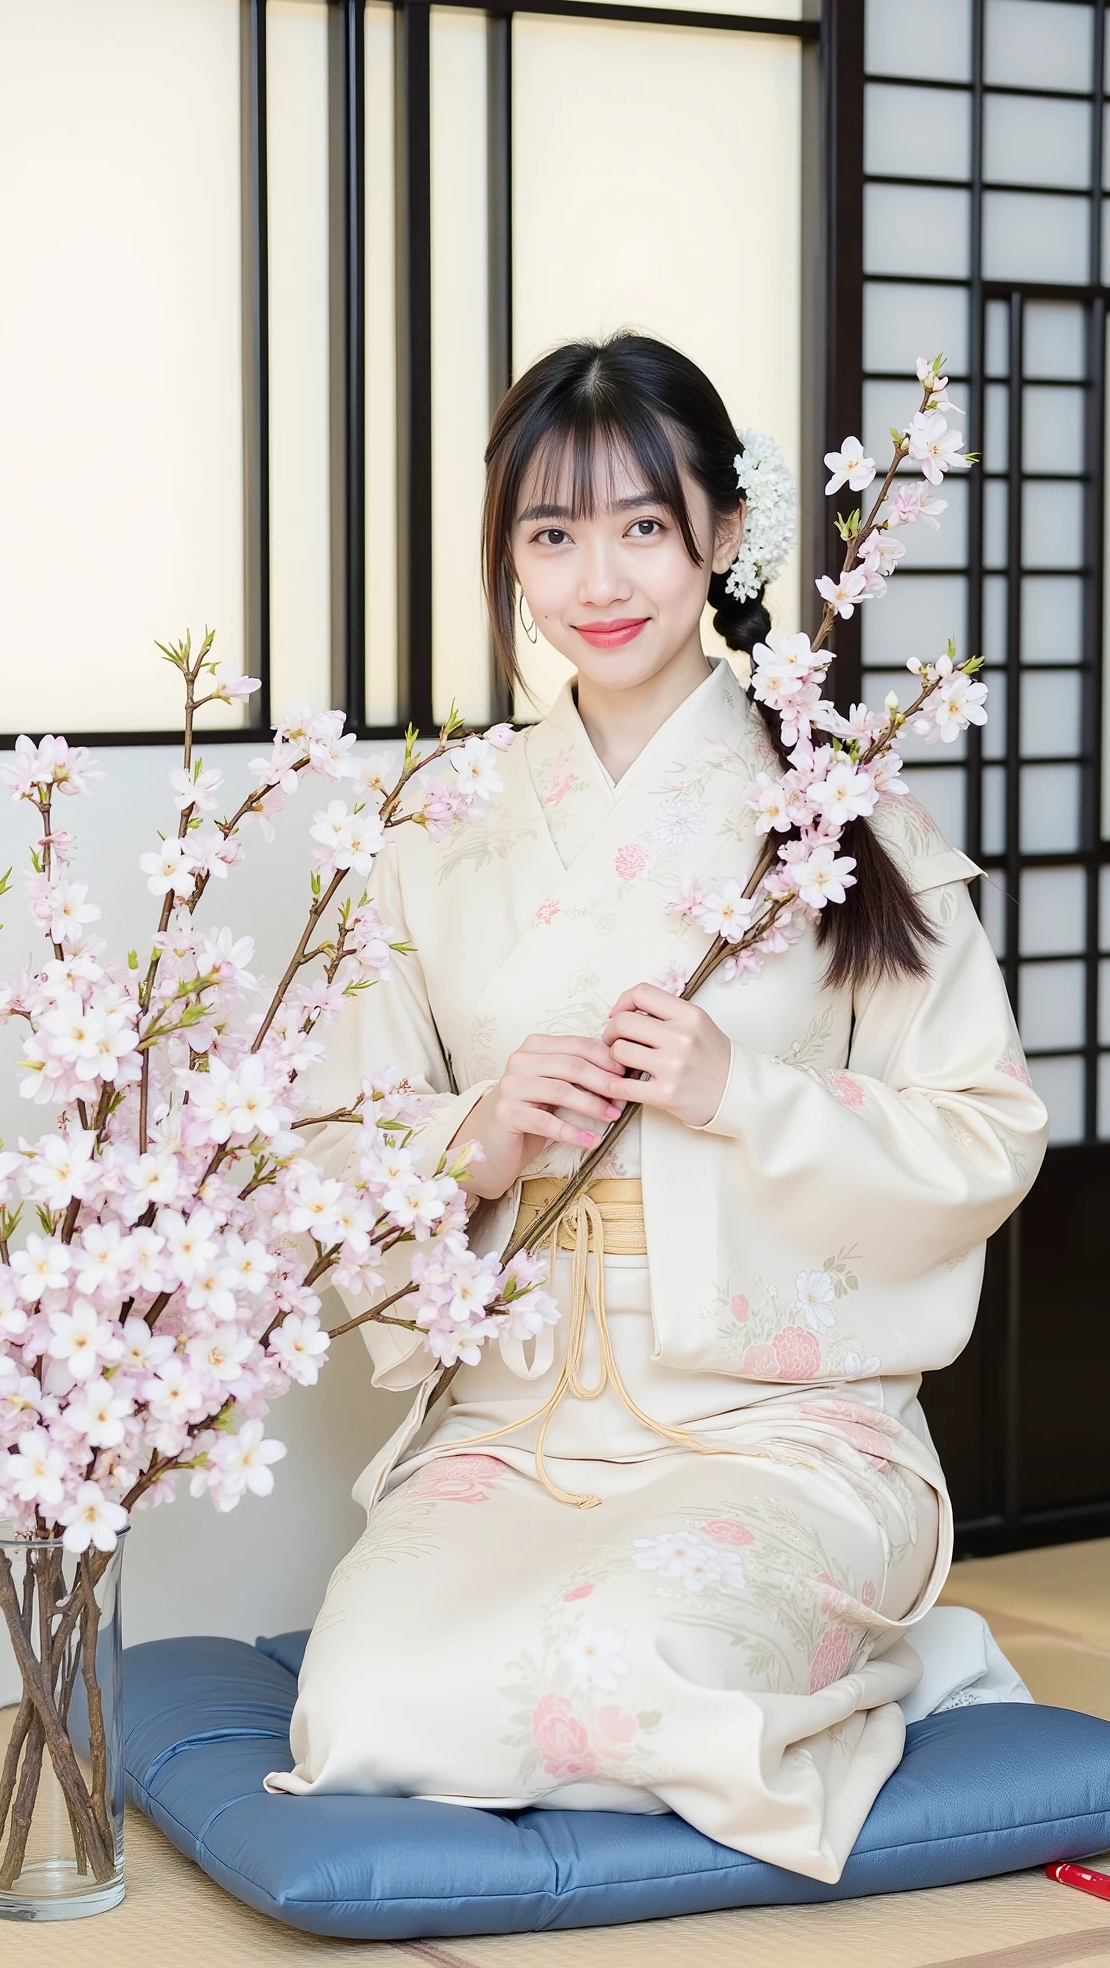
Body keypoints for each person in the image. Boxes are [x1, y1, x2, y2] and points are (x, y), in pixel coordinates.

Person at [264, 333, 1048, 1883]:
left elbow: (986, 1129)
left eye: (641, 523)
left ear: (720, 534)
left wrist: (742, 1093)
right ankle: (797, 1683)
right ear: (509, 559)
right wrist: (477, 1136)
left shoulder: (839, 818)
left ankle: (888, 1651)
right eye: (550, 536)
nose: (598, 577)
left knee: (627, 1669)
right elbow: (330, 1154)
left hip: (775, 1424)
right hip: (518, 1418)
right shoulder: (437, 836)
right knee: (364, 1712)